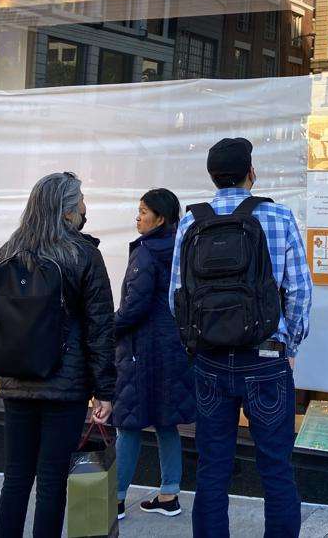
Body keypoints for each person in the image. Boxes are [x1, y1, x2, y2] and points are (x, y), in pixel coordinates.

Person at [169, 137, 313, 538]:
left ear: (213, 177)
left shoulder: (190, 221)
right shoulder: (278, 217)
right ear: (251, 173)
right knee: (276, 469)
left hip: (211, 361)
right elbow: (300, 291)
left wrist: (196, 343)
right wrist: (290, 346)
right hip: (266, 358)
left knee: (212, 469)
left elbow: (176, 297)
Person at [0, 172, 116, 538]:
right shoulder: (83, 254)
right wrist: (105, 390)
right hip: (65, 387)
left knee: (17, 477)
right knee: (52, 481)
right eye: (81, 199)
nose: (85, 206)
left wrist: (15, 354)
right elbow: (100, 328)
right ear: (68, 211)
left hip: (17, 382)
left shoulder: (7, 252)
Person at [112, 188, 195, 521]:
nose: (138, 216)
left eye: (143, 211)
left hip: (141, 350)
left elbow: (135, 306)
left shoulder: (146, 252)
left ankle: (115, 500)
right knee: (166, 422)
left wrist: (109, 329)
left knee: (128, 424)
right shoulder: (181, 248)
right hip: (173, 348)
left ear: (160, 218)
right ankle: (169, 495)